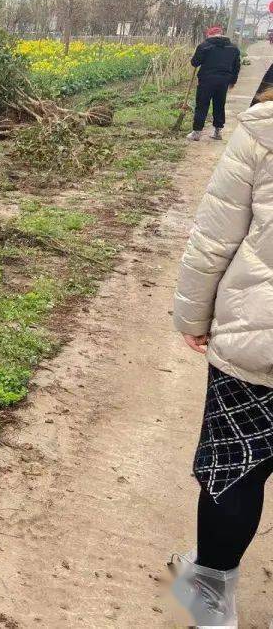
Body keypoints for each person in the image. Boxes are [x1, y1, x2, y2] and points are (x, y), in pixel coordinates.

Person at [171, 92, 273, 626]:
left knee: (236, 465)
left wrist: (192, 317)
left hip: (262, 340)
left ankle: (210, 603)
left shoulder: (264, 129)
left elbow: (214, 238)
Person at [188, 25, 241, 142]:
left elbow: (195, 63)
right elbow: (236, 66)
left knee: (202, 104)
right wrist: (233, 81)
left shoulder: (204, 46)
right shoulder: (233, 48)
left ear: (209, 35)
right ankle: (217, 131)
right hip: (223, 81)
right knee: (219, 104)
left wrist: (193, 58)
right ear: (221, 34)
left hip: (206, 80)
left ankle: (197, 132)